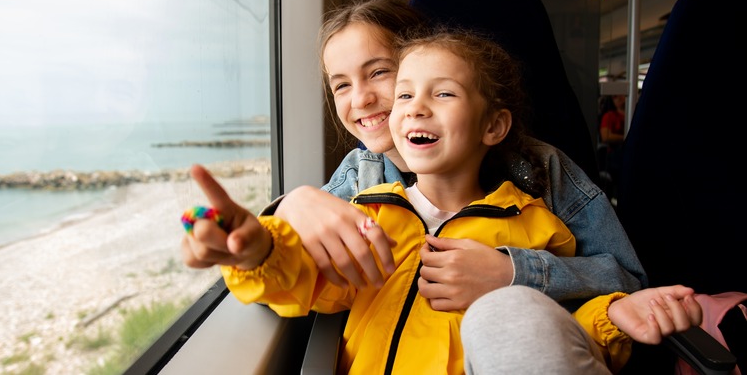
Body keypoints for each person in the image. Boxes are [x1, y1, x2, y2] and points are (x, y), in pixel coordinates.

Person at [181, 28, 701, 374]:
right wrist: (257, 252)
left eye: (442, 93)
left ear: (494, 126)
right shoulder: (370, 213)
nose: (409, 109)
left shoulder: (538, 223)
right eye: (405, 95)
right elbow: (307, 275)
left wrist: (611, 314)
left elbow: (550, 339)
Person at [181, 0, 647, 314]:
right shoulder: (359, 178)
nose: (360, 99)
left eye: (379, 73)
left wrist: (512, 270)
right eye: (341, 85)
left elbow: (629, 282)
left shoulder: (538, 165)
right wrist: (284, 211)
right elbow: (295, 272)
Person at [599, 93, 626, 203]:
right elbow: (605, 137)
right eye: (615, 97)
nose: (619, 98)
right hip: (615, 155)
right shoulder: (609, 116)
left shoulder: (634, 113)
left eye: (621, 95)